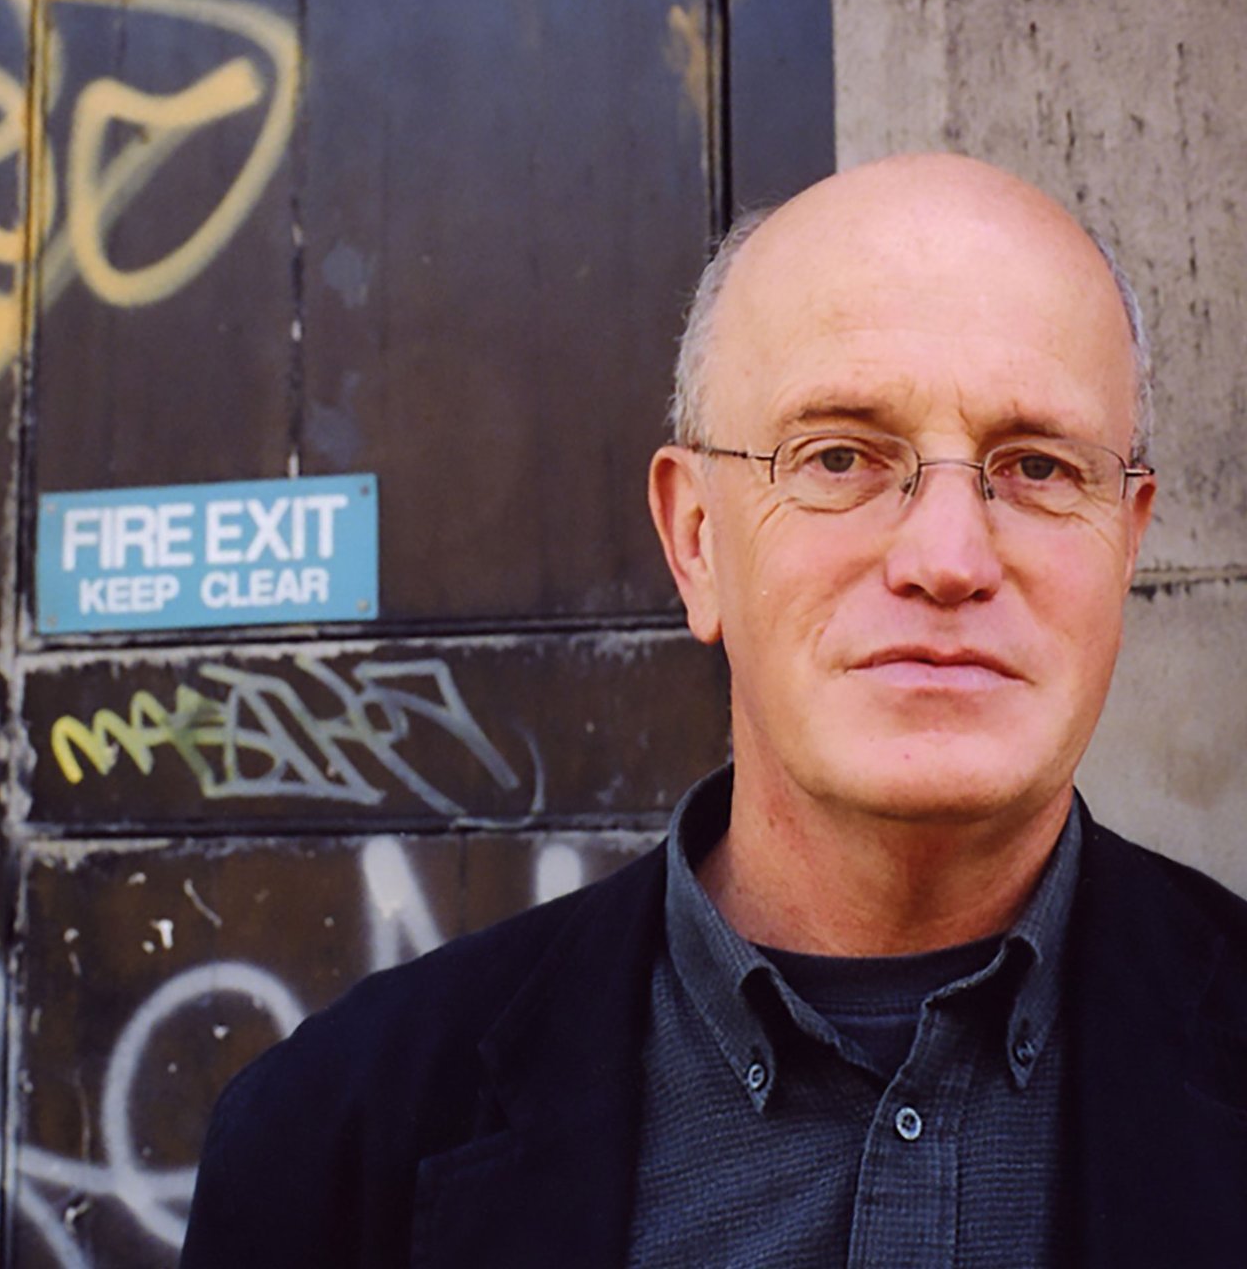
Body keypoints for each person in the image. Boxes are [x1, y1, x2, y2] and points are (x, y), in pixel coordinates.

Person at [178, 154, 1247, 1267]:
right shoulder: (332, 1145)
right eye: (839, 456)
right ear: (695, 540)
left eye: (1037, 467)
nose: (947, 557)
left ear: (1126, 541)